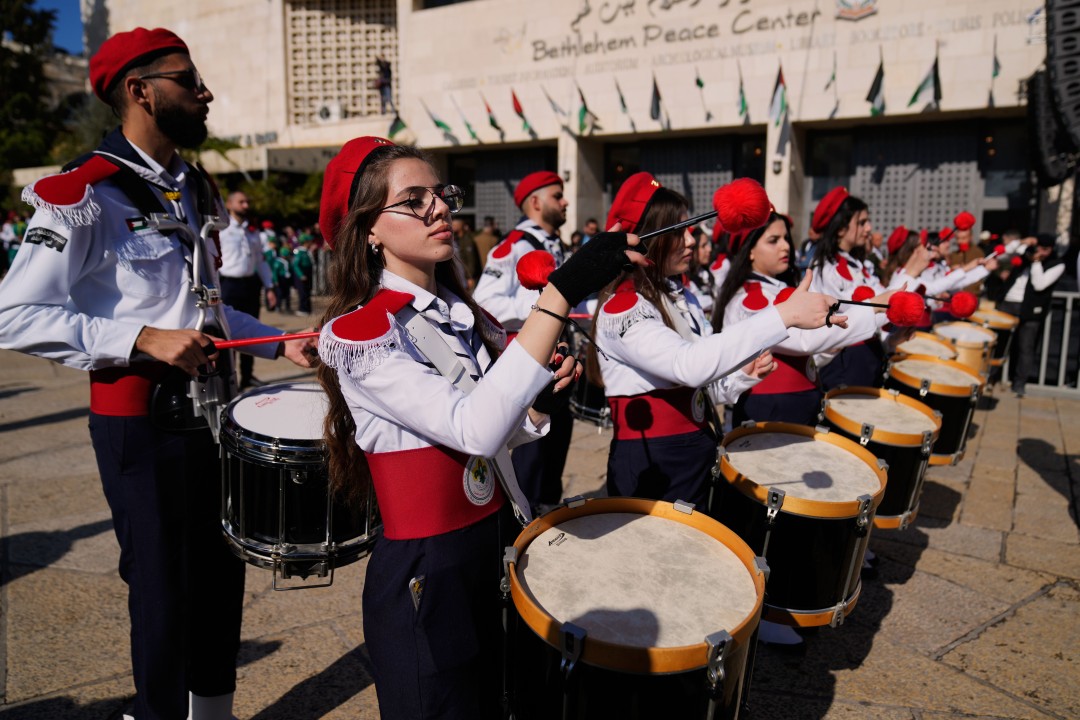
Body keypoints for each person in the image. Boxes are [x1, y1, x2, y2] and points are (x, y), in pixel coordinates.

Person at [0, 27, 317, 720]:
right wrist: (139, 338)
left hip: (214, 411)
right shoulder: (85, 190)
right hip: (141, 422)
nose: (205, 93)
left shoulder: (191, 184)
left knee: (220, 573)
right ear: (140, 91)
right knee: (162, 588)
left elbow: (202, 310)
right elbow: (13, 313)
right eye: (188, 80)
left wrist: (278, 344)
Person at [314, 136, 643, 719]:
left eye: (440, 193)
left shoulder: (462, 315)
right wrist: (560, 293)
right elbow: (474, 430)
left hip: (492, 541)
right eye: (413, 200)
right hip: (429, 570)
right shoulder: (362, 333)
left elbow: (496, 435)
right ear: (368, 230)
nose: (439, 207)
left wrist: (535, 404)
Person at [588, 172, 838, 508]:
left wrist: (743, 375)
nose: (691, 241)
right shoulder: (624, 308)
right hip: (655, 464)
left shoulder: (682, 297)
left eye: (689, 229)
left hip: (695, 449)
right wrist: (782, 316)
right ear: (645, 238)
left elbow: (703, 391)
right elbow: (688, 366)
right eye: (678, 231)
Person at [717, 212, 886, 426]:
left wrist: (829, 348)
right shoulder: (751, 299)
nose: (785, 246)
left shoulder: (779, 289)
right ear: (749, 251)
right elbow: (804, 341)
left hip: (797, 402)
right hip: (773, 408)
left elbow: (810, 353)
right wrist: (873, 308)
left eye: (786, 238)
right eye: (773, 240)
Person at [473, 170, 573, 513]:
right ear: (535, 202)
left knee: (553, 460)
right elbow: (484, 302)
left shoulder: (554, 244)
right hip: (528, 370)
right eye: (557, 196)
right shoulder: (514, 245)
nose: (565, 202)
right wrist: (545, 307)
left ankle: (548, 516)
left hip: (556, 366)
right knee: (530, 465)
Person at [808, 187, 911, 390]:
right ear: (840, 229)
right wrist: (896, 303)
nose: (869, 228)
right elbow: (851, 318)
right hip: (845, 362)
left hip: (865, 357)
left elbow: (880, 301)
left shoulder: (856, 264)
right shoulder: (827, 269)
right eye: (862, 222)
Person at [218, 190, 278, 389]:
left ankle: (247, 375)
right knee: (228, 332)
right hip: (228, 284)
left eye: (247, 202)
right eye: (241, 202)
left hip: (250, 284)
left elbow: (260, 261)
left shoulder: (252, 230)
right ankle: (230, 377)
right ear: (229, 204)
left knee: (251, 328)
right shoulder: (221, 229)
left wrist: (269, 287)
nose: (245, 205)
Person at [998, 234, 1066, 397]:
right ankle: (992, 378)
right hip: (1009, 302)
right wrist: (1022, 242)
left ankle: (1019, 384)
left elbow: (1039, 284)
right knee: (1000, 343)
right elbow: (1004, 253)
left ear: (1051, 250)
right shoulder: (1026, 252)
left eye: (1045, 249)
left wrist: (1036, 262)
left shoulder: (1057, 264)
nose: (1041, 251)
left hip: (1031, 309)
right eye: (1039, 247)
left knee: (1025, 347)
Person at [452, 217, 481, 287]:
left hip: (468, 276)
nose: (452, 226)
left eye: (455, 225)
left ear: (460, 225)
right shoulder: (455, 238)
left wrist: (470, 277)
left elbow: (471, 260)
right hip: (459, 275)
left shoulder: (467, 240)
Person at [291, 235, 315, 315]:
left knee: (307, 291)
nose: (311, 243)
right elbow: (296, 265)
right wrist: (301, 275)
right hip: (302, 273)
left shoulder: (307, 251)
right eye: (309, 241)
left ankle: (307, 309)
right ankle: (302, 309)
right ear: (305, 242)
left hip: (307, 272)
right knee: (303, 292)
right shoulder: (299, 252)